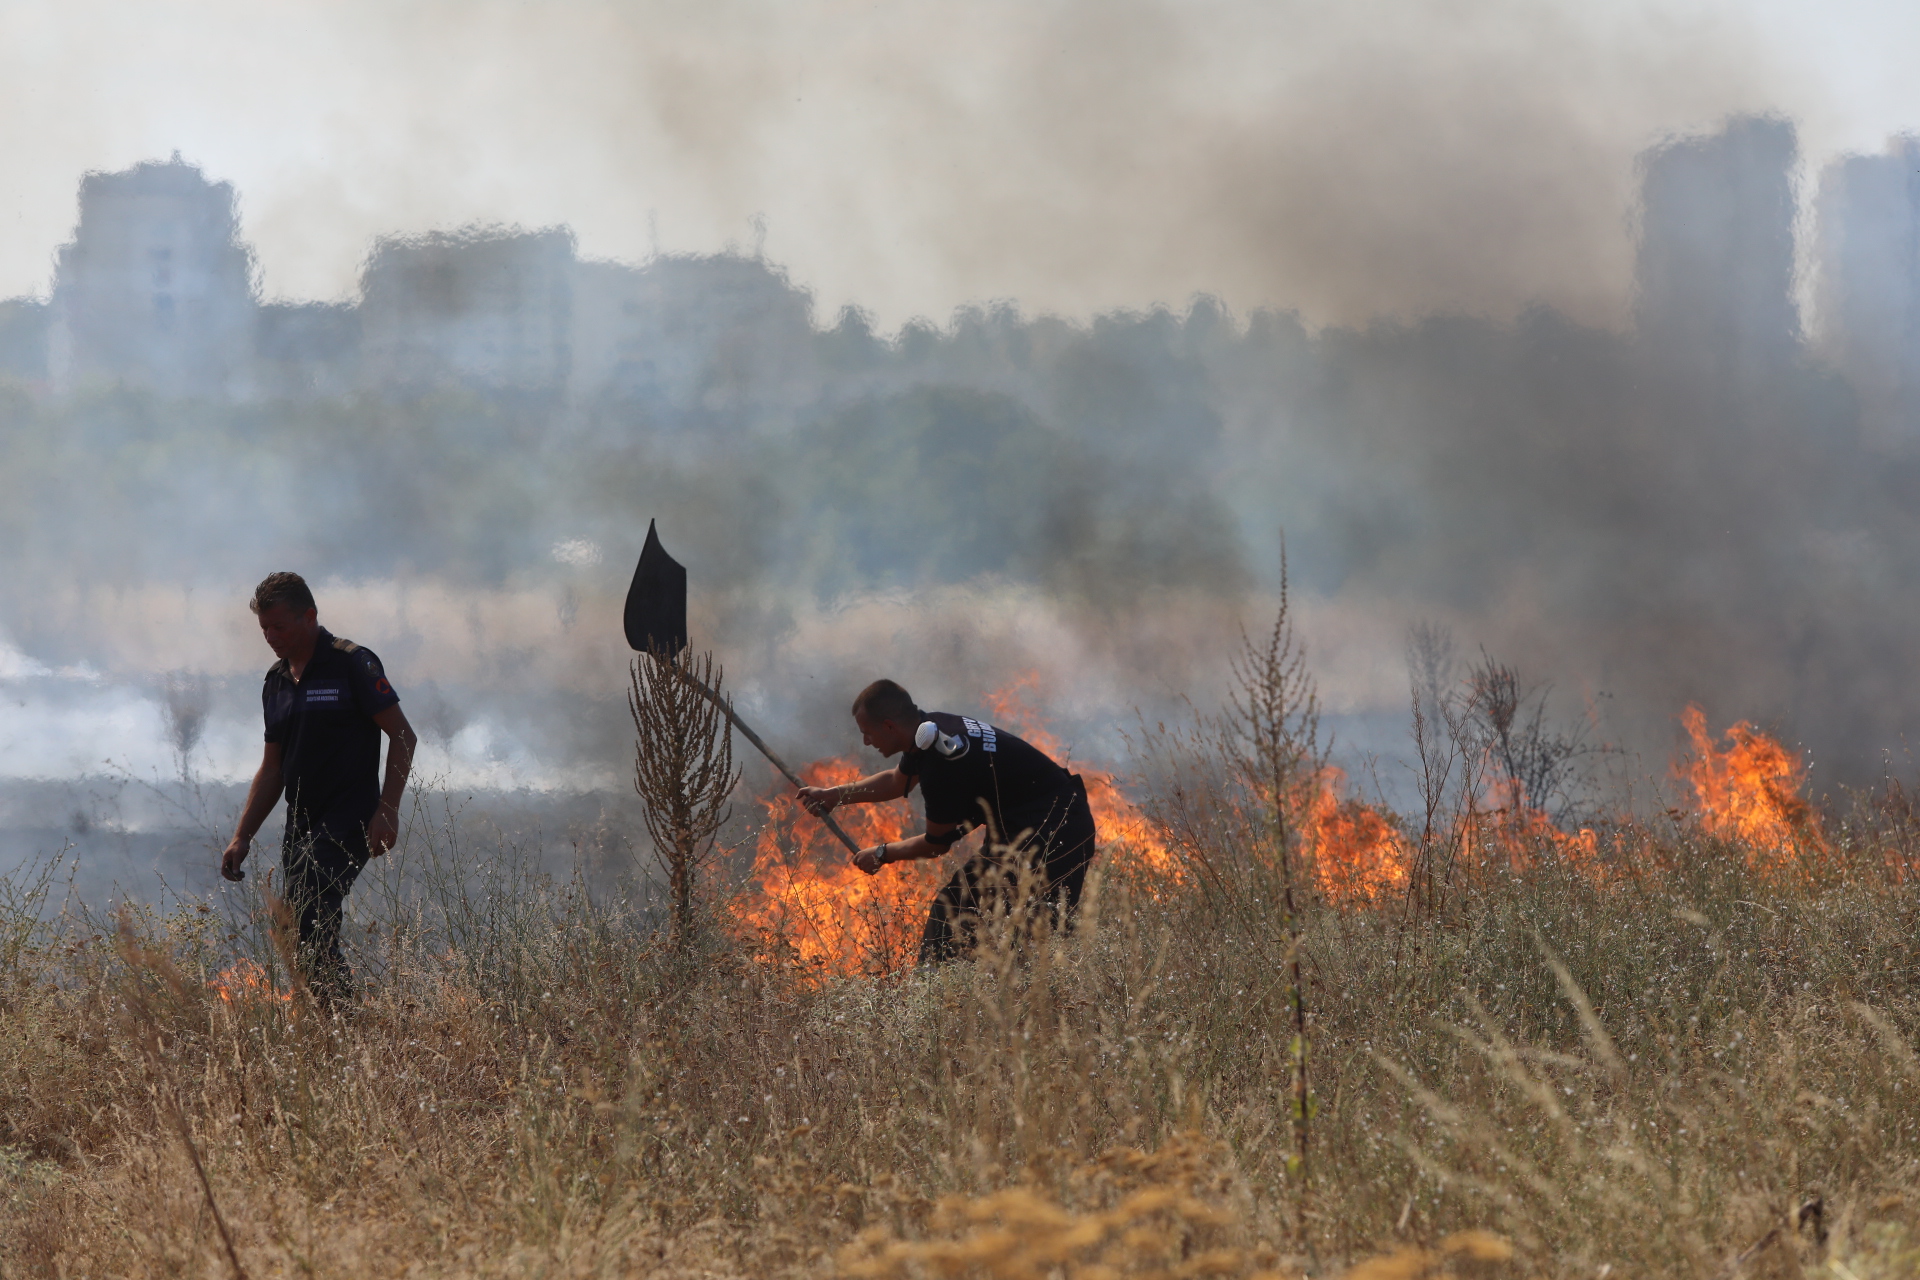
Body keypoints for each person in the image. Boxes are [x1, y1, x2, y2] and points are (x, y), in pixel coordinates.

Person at [797, 679, 1096, 963]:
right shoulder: (930, 729)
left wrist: (881, 854)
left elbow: (934, 844)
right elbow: (894, 781)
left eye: (868, 733)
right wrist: (833, 795)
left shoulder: (941, 766)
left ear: (889, 726)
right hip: (1037, 824)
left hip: (1054, 833)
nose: (865, 742)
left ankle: (934, 996)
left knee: (965, 916)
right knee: (988, 924)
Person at [220, 572, 416, 1004]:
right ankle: (328, 1016)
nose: (270, 637)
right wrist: (242, 836)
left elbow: (402, 736)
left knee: (309, 909)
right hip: (301, 822)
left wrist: (389, 808)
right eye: (264, 629)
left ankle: (339, 1018)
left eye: (279, 626)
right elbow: (273, 769)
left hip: (351, 817)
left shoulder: (351, 663)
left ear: (309, 616)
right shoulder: (276, 681)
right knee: (294, 925)